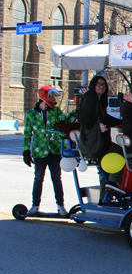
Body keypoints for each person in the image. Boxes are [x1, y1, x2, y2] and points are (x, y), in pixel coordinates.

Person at [23, 85, 72, 215]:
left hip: (54, 151)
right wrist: (26, 151)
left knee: (57, 178)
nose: (53, 99)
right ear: (44, 96)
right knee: (38, 178)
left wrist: (76, 112)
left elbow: (65, 121)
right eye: (51, 96)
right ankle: (35, 205)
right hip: (40, 152)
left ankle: (61, 206)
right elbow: (27, 133)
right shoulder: (31, 114)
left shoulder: (55, 112)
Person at [77, 75, 124, 204]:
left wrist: (122, 121)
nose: (101, 86)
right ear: (93, 85)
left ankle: (103, 197)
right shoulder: (90, 98)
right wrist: (97, 126)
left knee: (105, 167)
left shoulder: (99, 100)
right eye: (98, 84)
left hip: (100, 142)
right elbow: (84, 118)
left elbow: (106, 118)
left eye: (103, 84)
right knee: (120, 150)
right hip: (95, 143)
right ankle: (113, 182)